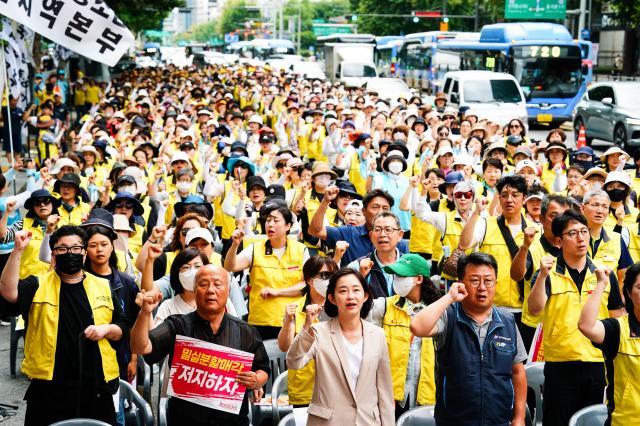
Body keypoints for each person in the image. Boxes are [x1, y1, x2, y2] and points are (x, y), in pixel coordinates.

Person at [0, 226, 127, 425]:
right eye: (63, 249)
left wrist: (106, 329)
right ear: (54, 254)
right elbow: (9, 293)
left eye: (76, 248)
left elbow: (121, 326)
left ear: (84, 253)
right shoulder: (38, 284)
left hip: (96, 387)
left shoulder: (102, 285)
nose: (70, 253)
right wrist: (17, 251)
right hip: (49, 388)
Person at [130, 265, 270, 426]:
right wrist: (144, 314)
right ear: (195, 290)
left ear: (228, 290)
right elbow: (140, 347)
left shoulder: (246, 331)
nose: (210, 290)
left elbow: (263, 368)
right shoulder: (177, 326)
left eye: (217, 284)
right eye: (203, 284)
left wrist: (256, 381)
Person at [528, 210, 625, 426]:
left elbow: (618, 318)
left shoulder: (604, 275)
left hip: (597, 363)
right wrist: (542, 275)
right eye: (572, 233)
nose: (581, 238)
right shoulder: (548, 272)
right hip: (560, 364)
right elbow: (535, 309)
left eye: (584, 231)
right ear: (559, 240)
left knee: (593, 421)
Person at [410, 252, 527, 426]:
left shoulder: (507, 321)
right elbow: (417, 327)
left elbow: (517, 371)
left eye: (488, 281)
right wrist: (449, 297)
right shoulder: (449, 316)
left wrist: (519, 417)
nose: (482, 287)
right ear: (461, 284)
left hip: (499, 420)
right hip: (454, 421)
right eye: (474, 280)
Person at [286, 268, 395, 425]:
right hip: (328, 421)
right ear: (331, 298)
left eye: (356, 290)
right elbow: (294, 362)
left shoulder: (377, 334)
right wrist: (307, 327)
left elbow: (384, 390)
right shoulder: (317, 332)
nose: (350, 296)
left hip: (367, 421)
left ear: (365, 296)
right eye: (343, 291)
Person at [368, 254, 440, 417]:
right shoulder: (385, 306)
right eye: (395, 275)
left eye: (402, 275)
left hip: (425, 394)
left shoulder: (438, 311)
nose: (397, 279)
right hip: (390, 394)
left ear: (419, 279)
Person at [224, 200, 307, 340]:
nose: (270, 224)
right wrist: (234, 245)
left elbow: (305, 285)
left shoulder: (300, 249)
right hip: (260, 319)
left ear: (288, 226)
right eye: (268, 221)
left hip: (291, 319)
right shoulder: (255, 248)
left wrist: (277, 292)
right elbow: (230, 267)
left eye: (276, 220)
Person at [459, 175, 533, 312]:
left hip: (523, 308)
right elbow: (463, 244)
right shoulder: (486, 224)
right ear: (499, 199)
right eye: (504, 195)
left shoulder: (535, 230)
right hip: (490, 305)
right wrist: (476, 212)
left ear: (524, 199)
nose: (509, 199)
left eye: (515, 195)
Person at [579, 263, 640, 425]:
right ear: (629, 292)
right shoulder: (617, 329)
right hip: (625, 421)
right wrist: (601, 284)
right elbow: (586, 326)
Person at [510, 194, 570, 349]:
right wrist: (524, 247)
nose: (559, 221)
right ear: (542, 219)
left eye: (565, 216)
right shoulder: (533, 248)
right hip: (536, 329)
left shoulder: (576, 248)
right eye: (553, 216)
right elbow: (516, 275)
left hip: (567, 327)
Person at [277, 256, 338, 407]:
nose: (330, 280)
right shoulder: (294, 309)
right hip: (304, 390)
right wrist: (288, 322)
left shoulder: (341, 309)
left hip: (336, 390)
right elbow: (285, 347)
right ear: (310, 280)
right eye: (325, 275)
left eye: (334, 276)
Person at [309, 188, 408, 266]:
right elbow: (315, 231)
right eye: (375, 207)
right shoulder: (348, 233)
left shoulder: (399, 242)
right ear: (364, 211)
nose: (380, 212)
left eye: (385, 208)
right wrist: (325, 201)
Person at [347, 211, 404, 298]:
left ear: (400, 235)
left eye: (388, 230)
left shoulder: (410, 265)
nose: (382, 234)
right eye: (377, 230)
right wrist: (361, 276)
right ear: (371, 236)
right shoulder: (356, 267)